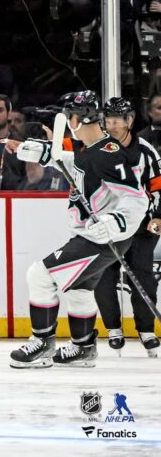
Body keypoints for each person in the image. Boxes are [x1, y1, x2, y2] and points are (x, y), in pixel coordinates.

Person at [6, 90, 148, 368]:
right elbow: (73, 164)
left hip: (103, 239)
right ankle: (83, 348)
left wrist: (114, 223)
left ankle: (42, 345)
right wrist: (29, 149)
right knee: (79, 290)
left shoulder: (108, 154)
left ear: (76, 119)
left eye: (69, 116)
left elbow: (136, 198)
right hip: (97, 236)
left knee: (40, 275)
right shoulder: (93, 150)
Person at [93, 97, 161, 357]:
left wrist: (159, 217)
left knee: (143, 276)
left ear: (130, 121)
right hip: (107, 226)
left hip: (141, 226)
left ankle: (146, 330)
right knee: (103, 277)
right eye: (108, 121)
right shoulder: (96, 149)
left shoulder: (146, 151)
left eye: (118, 121)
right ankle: (113, 329)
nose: (113, 126)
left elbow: (159, 186)